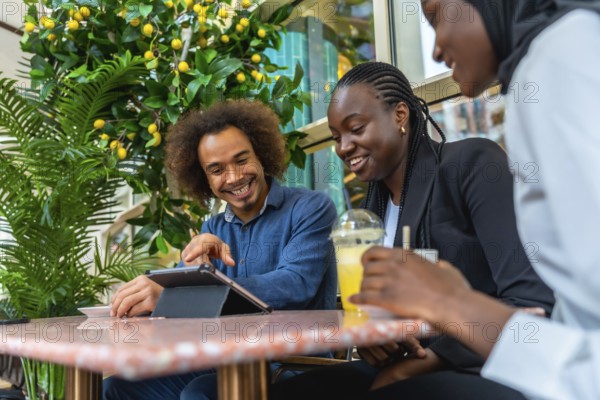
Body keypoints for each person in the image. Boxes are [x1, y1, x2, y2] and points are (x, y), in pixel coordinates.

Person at [346, 1, 600, 399]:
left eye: (435, 17)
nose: (434, 49)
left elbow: (540, 304)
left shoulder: (561, 59)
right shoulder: (541, 70)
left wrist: (451, 304)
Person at [272, 60, 555, 400]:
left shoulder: (472, 164)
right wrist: (378, 340)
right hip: (406, 360)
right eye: (336, 137)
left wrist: (418, 364)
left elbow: (530, 303)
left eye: (356, 128)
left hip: (483, 365)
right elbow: (385, 314)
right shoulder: (369, 211)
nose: (343, 147)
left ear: (400, 115)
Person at [103, 100, 338, 399]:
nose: (234, 177)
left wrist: (189, 291)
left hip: (294, 362)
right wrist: (170, 285)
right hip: (224, 361)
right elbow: (180, 297)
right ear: (204, 178)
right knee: (115, 388)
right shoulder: (212, 228)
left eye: (242, 160)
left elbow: (296, 284)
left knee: (199, 393)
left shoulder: (311, 208)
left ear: (261, 154)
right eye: (216, 169)